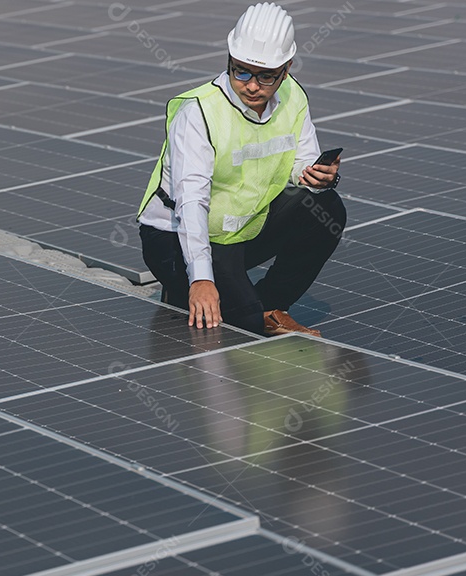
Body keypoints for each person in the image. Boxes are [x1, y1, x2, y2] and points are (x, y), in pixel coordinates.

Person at [137, 2, 345, 337]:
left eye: (266, 76)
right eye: (241, 71)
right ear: (230, 59)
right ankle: (183, 288)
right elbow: (191, 200)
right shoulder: (200, 112)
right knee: (241, 329)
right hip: (176, 240)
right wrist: (201, 278)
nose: (251, 85)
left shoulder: (293, 97)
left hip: (239, 232)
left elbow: (299, 165)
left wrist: (318, 177)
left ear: (287, 68)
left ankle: (270, 305)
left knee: (326, 208)